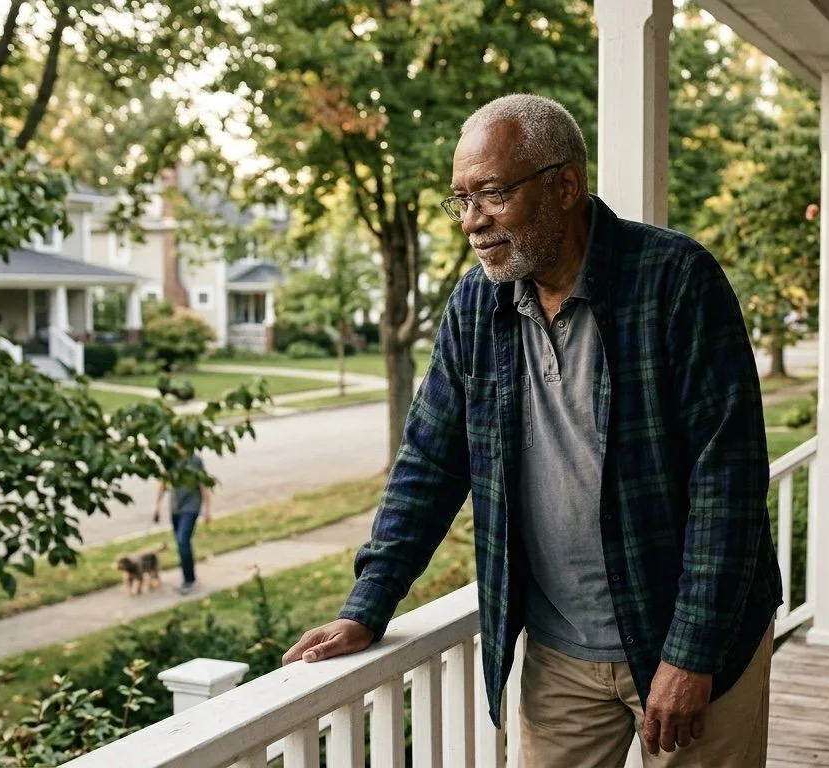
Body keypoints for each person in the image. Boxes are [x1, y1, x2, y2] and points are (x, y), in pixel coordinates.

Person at [281, 94, 780, 766]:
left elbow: (730, 481)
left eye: (491, 193)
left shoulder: (675, 281)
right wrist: (367, 606)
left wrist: (691, 654)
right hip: (561, 653)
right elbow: (429, 465)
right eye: (459, 199)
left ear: (564, 186)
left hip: (689, 642)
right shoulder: (473, 306)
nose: (471, 222)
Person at [153, 450, 211, 596]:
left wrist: (207, 508)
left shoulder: (195, 460)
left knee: (183, 540)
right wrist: (157, 505)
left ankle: (188, 580)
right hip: (175, 507)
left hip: (191, 505)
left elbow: (203, 484)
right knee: (181, 544)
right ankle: (188, 573)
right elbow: (163, 483)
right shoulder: (170, 460)